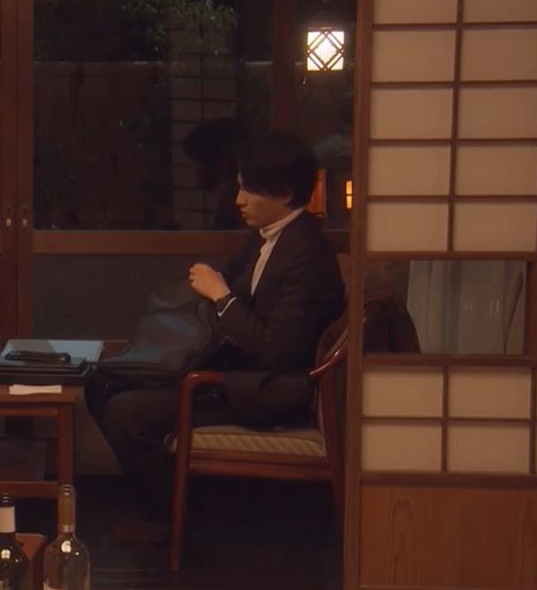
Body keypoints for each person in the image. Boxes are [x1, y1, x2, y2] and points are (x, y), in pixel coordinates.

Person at [86, 130, 345, 543]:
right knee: (101, 382)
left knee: (125, 413)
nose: (239, 200)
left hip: (266, 388)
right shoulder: (269, 236)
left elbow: (278, 350)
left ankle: (170, 517)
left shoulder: (306, 255)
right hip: (233, 367)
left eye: (249, 190)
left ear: (283, 193)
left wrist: (221, 296)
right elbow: (235, 291)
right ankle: (178, 501)